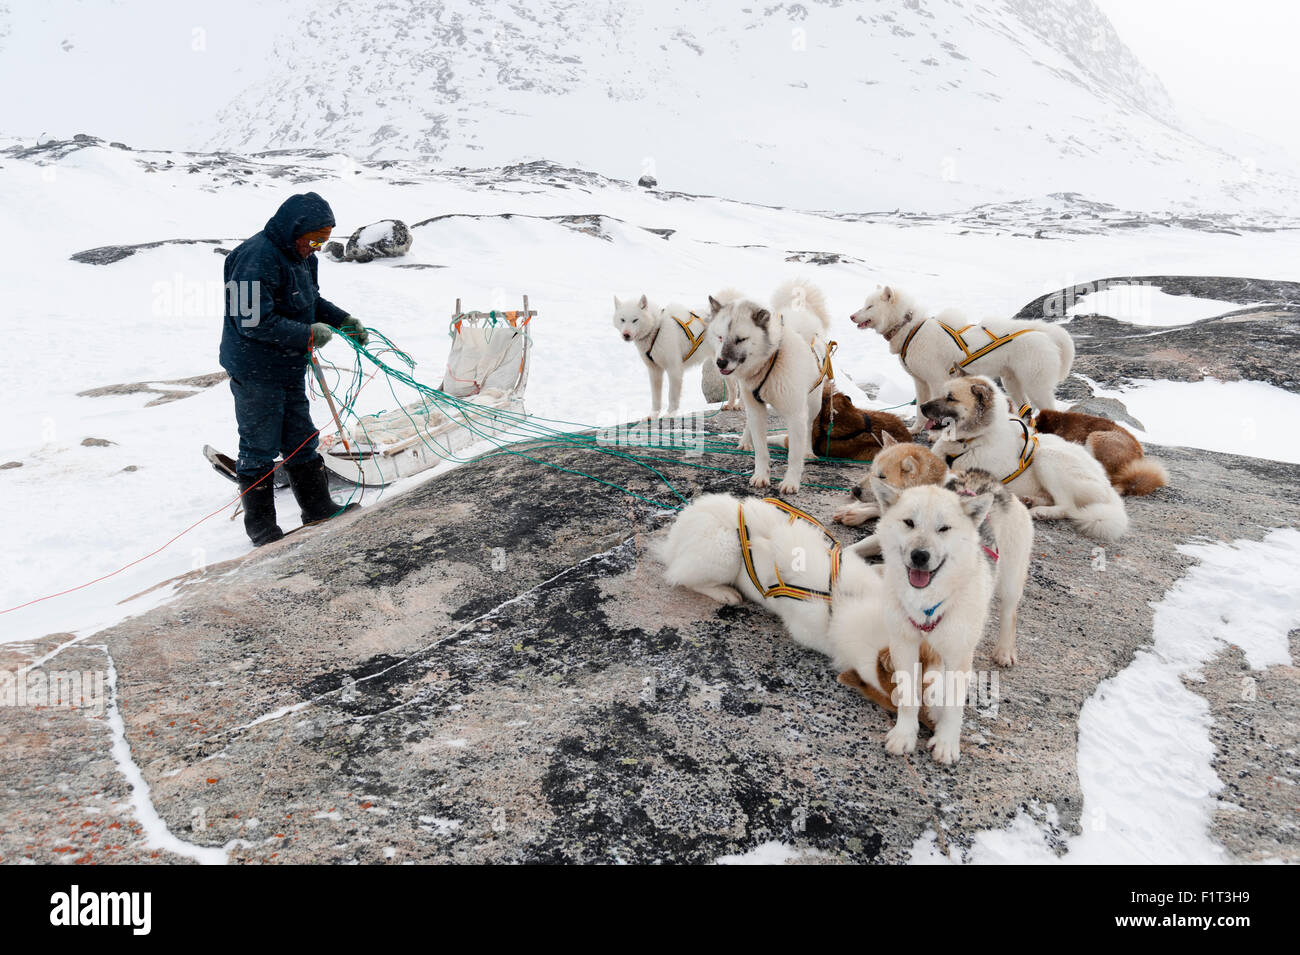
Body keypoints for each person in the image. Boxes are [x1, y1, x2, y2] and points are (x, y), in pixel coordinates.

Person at [219, 192, 369, 545]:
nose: (317, 247)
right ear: (294, 229)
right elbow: (250, 321)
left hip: (288, 365)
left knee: (301, 437)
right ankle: (262, 529)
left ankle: (317, 508)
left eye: (324, 241)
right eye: (314, 239)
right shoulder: (255, 259)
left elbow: (311, 300)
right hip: (255, 369)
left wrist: (342, 320)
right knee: (258, 446)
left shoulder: (302, 256)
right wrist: (307, 334)